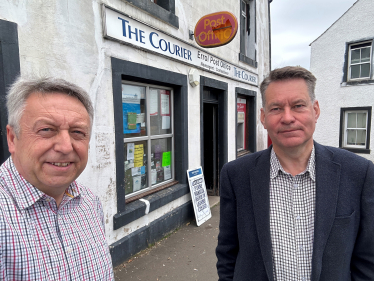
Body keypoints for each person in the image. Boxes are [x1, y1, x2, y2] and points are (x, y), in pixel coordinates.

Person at [216, 66, 374, 280]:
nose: (287, 118)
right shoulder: (236, 175)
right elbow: (227, 255)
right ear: (263, 117)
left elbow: (367, 258)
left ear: (315, 110)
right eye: (276, 108)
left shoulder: (358, 173)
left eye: (298, 106)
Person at [0, 77, 114, 280]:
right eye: (46, 130)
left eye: (77, 132)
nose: (65, 147)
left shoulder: (90, 202)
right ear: (12, 138)